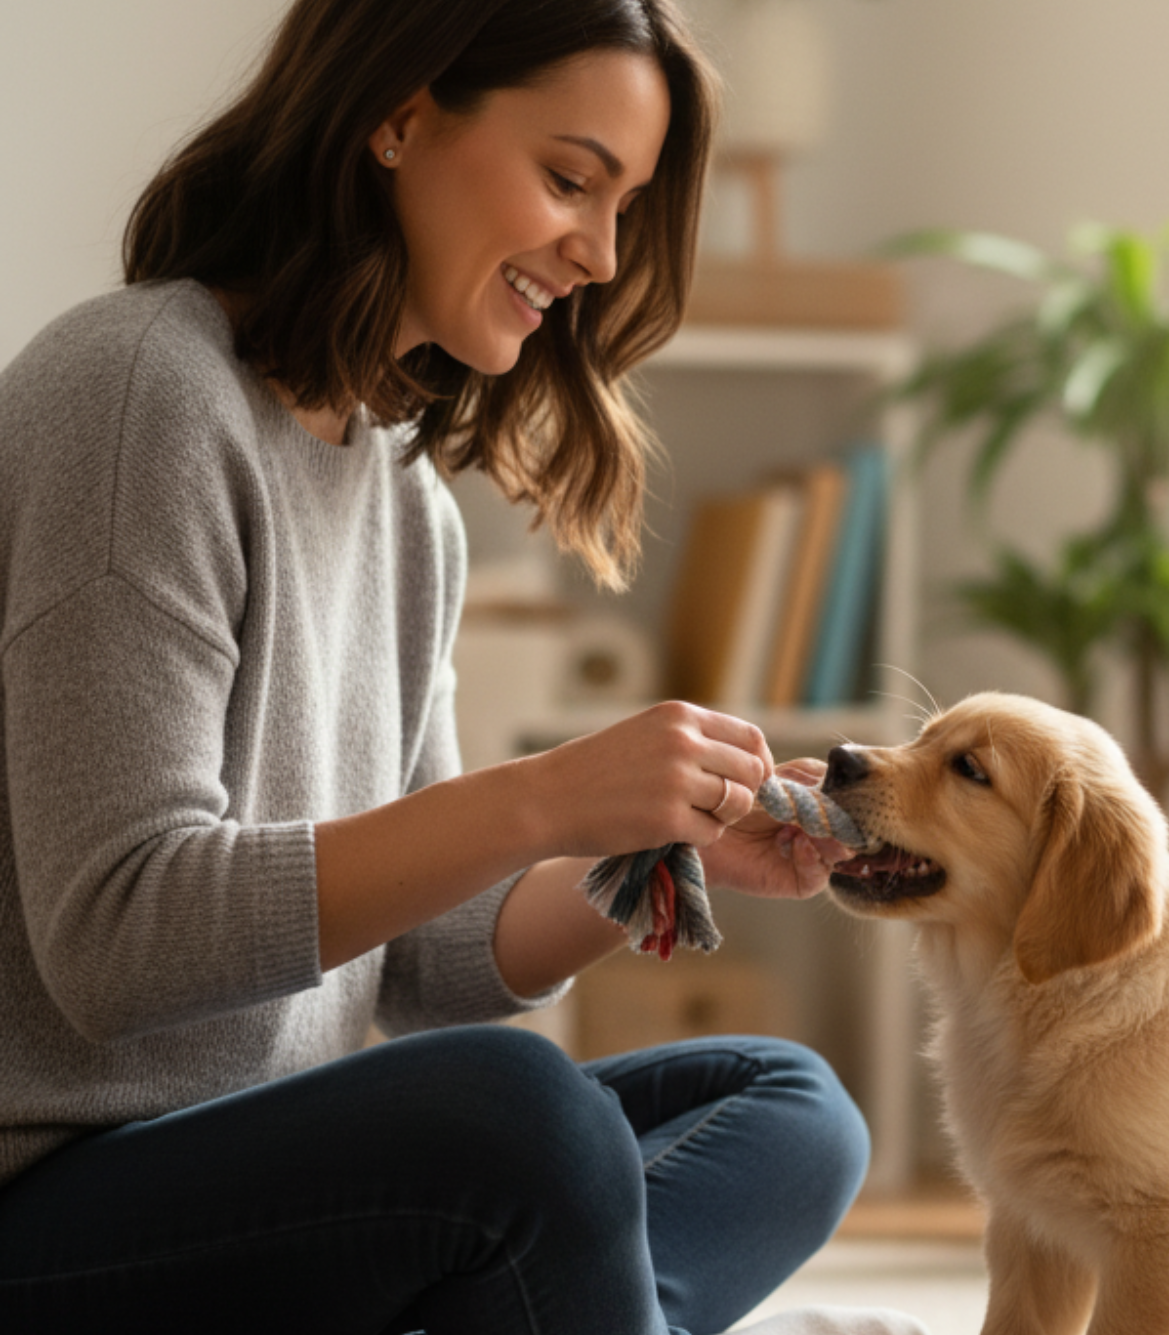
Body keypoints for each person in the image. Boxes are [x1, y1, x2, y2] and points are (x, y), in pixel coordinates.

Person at [0, 2, 927, 1332]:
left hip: (270, 1174)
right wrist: (548, 794)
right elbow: (117, 939)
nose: (601, 255)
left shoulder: (404, 500)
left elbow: (427, 958)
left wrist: (637, 846)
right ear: (395, 114)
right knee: (522, 1117)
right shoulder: (138, 390)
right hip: (54, 1201)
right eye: (570, 179)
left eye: (626, 206)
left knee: (793, 1106)